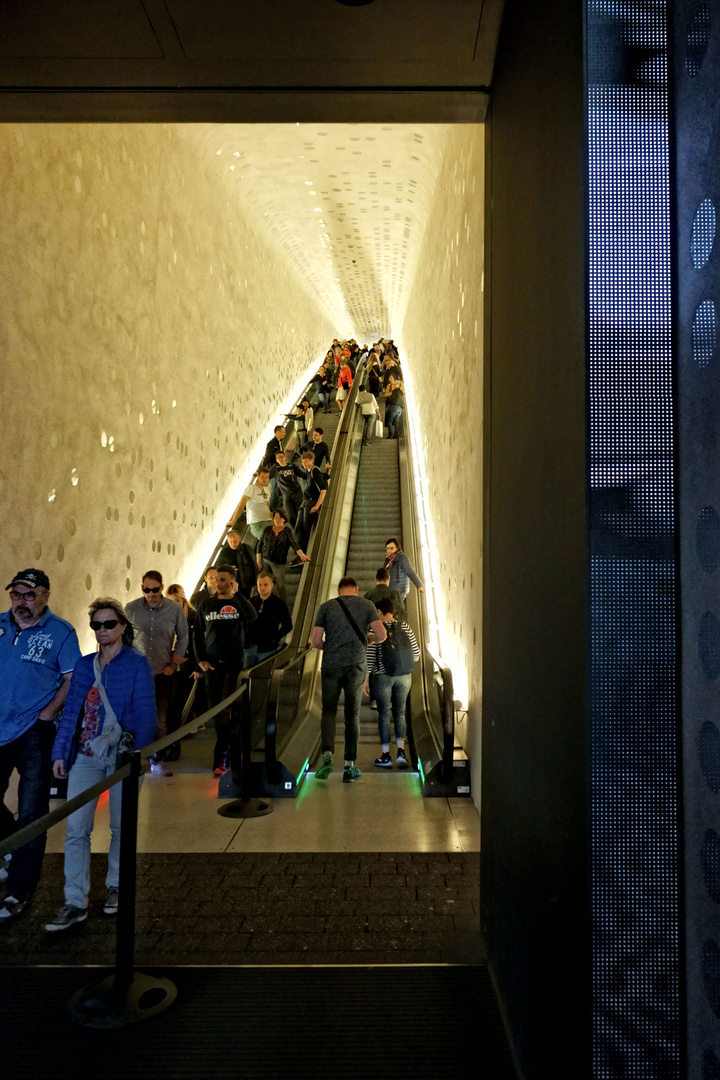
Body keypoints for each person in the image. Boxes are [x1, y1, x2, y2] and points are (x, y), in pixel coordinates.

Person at [43, 598, 156, 931]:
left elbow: (145, 714)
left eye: (109, 624)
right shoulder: (84, 666)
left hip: (122, 755)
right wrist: (60, 752)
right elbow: (71, 715)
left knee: (122, 827)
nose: (102, 630)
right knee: (76, 830)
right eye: (96, 624)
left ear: (122, 626)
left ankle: (117, 886)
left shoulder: (136, 663)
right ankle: (74, 901)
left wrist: (143, 754)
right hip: (86, 755)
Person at [0, 568, 81, 923]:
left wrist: (47, 715)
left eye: (30, 595)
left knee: (33, 811)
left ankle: (19, 891)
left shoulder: (61, 632)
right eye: (16, 595)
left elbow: (72, 678)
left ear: (46, 596)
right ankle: (11, 847)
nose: (22, 602)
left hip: (34, 731)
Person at [310, 576, 386, 784]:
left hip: (331, 665)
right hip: (356, 666)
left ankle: (327, 758)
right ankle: (349, 766)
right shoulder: (367, 605)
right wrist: (369, 639)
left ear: (338, 590)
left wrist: (332, 647)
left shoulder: (326, 607)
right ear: (356, 589)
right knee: (352, 714)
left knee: (328, 711)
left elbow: (315, 641)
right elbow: (382, 634)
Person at [193, 565, 257, 776]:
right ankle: (229, 750)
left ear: (231, 581)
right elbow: (197, 635)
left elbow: (252, 618)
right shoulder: (206, 605)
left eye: (223, 580)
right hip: (212, 666)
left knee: (228, 711)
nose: (218, 583)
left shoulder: (239, 603)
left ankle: (220, 755)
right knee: (216, 711)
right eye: (216, 580)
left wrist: (237, 594)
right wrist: (200, 660)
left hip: (233, 664)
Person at [125, 570, 188, 778]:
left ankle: (157, 758)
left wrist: (174, 664)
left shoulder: (173, 609)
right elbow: (124, 636)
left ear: (162, 588)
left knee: (161, 719)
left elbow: (183, 636)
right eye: (146, 589)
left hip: (162, 670)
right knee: (135, 716)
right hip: (138, 671)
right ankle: (137, 757)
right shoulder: (131, 609)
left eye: (155, 589)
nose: (151, 593)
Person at [365, 597, 420, 768]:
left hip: (383, 676)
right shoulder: (405, 627)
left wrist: (366, 679)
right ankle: (401, 753)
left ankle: (386, 755)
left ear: (380, 612)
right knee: (400, 712)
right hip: (404, 676)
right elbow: (416, 654)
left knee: (384, 714)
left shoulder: (377, 629)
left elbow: (370, 658)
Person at [164, 584, 198, 760]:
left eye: (177, 601)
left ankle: (174, 745)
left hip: (184, 667)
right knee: (166, 708)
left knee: (175, 707)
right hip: (166, 667)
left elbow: (197, 644)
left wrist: (195, 666)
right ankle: (165, 745)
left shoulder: (193, 618)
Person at [256, 509, 310, 600]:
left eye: (280, 517)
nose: (277, 519)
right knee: (263, 583)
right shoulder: (267, 529)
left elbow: (294, 544)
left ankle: (283, 604)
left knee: (280, 585)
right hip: (265, 560)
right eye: (275, 517)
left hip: (278, 563)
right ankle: (264, 602)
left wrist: (302, 555)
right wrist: (258, 561)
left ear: (284, 519)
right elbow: (259, 545)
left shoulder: (287, 531)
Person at [243, 571, 293, 668]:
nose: (262, 588)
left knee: (264, 675)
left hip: (267, 647)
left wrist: (276, 637)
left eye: (265, 585)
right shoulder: (251, 602)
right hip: (250, 646)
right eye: (259, 585)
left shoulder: (278, 604)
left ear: (272, 585)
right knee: (245, 677)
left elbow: (288, 625)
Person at [295, 450, 328, 555]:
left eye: (306, 461)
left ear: (312, 461)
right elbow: (325, 478)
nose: (304, 463)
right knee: (298, 527)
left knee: (305, 528)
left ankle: (304, 553)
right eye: (302, 461)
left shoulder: (315, 471)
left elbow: (323, 489)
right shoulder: (309, 471)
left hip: (311, 503)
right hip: (305, 502)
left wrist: (317, 505)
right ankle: (299, 552)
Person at [227, 468, 273, 540]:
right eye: (262, 477)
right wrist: (234, 520)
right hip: (257, 523)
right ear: (258, 476)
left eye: (267, 477)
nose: (264, 479)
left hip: (268, 521)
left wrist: (273, 520)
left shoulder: (266, 489)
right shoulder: (251, 488)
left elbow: (267, 506)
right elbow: (242, 504)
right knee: (269, 540)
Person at [269, 450, 307, 528]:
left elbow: (302, 474)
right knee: (290, 515)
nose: (280, 459)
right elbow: (267, 475)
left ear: (285, 457)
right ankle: (296, 530)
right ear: (276, 460)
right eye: (278, 458)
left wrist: (312, 472)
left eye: (281, 457)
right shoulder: (275, 469)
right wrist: (258, 474)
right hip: (286, 495)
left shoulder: (292, 466)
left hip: (297, 492)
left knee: (299, 511)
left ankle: (303, 529)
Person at [218, 530, 257, 598]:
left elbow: (254, 564)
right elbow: (219, 568)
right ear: (227, 541)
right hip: (232, 582)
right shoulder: (224, 553)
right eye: (231, 541)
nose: (233, 543)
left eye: (234, 541)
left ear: (239, 538)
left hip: (247, 581)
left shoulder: (246, 548)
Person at [385, 375, 405, 440]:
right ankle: (396, 435)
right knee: (396, 422)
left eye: (395, 384)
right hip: (399, 408)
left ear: (398, 385)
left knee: (389, 421)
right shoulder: (401, 392)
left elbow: (391, 400)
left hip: (394, 407)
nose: (393, 385)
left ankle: (391, 434)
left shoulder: (395, 391)